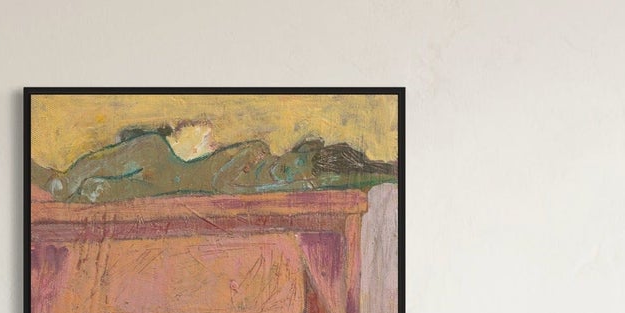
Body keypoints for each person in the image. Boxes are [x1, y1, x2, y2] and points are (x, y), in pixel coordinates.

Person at [31, 125, 396, 204]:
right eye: (291, 164)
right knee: (148, 147)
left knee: (101, 190)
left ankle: (74, 186)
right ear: (296, 151)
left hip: (165, 187)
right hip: (171, 169)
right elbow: (218, 175)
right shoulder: (256, 152)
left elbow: (223, 184)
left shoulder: (258, 182)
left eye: (291, 177)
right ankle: (66, 179)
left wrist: (302, 182)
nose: (281, 172)